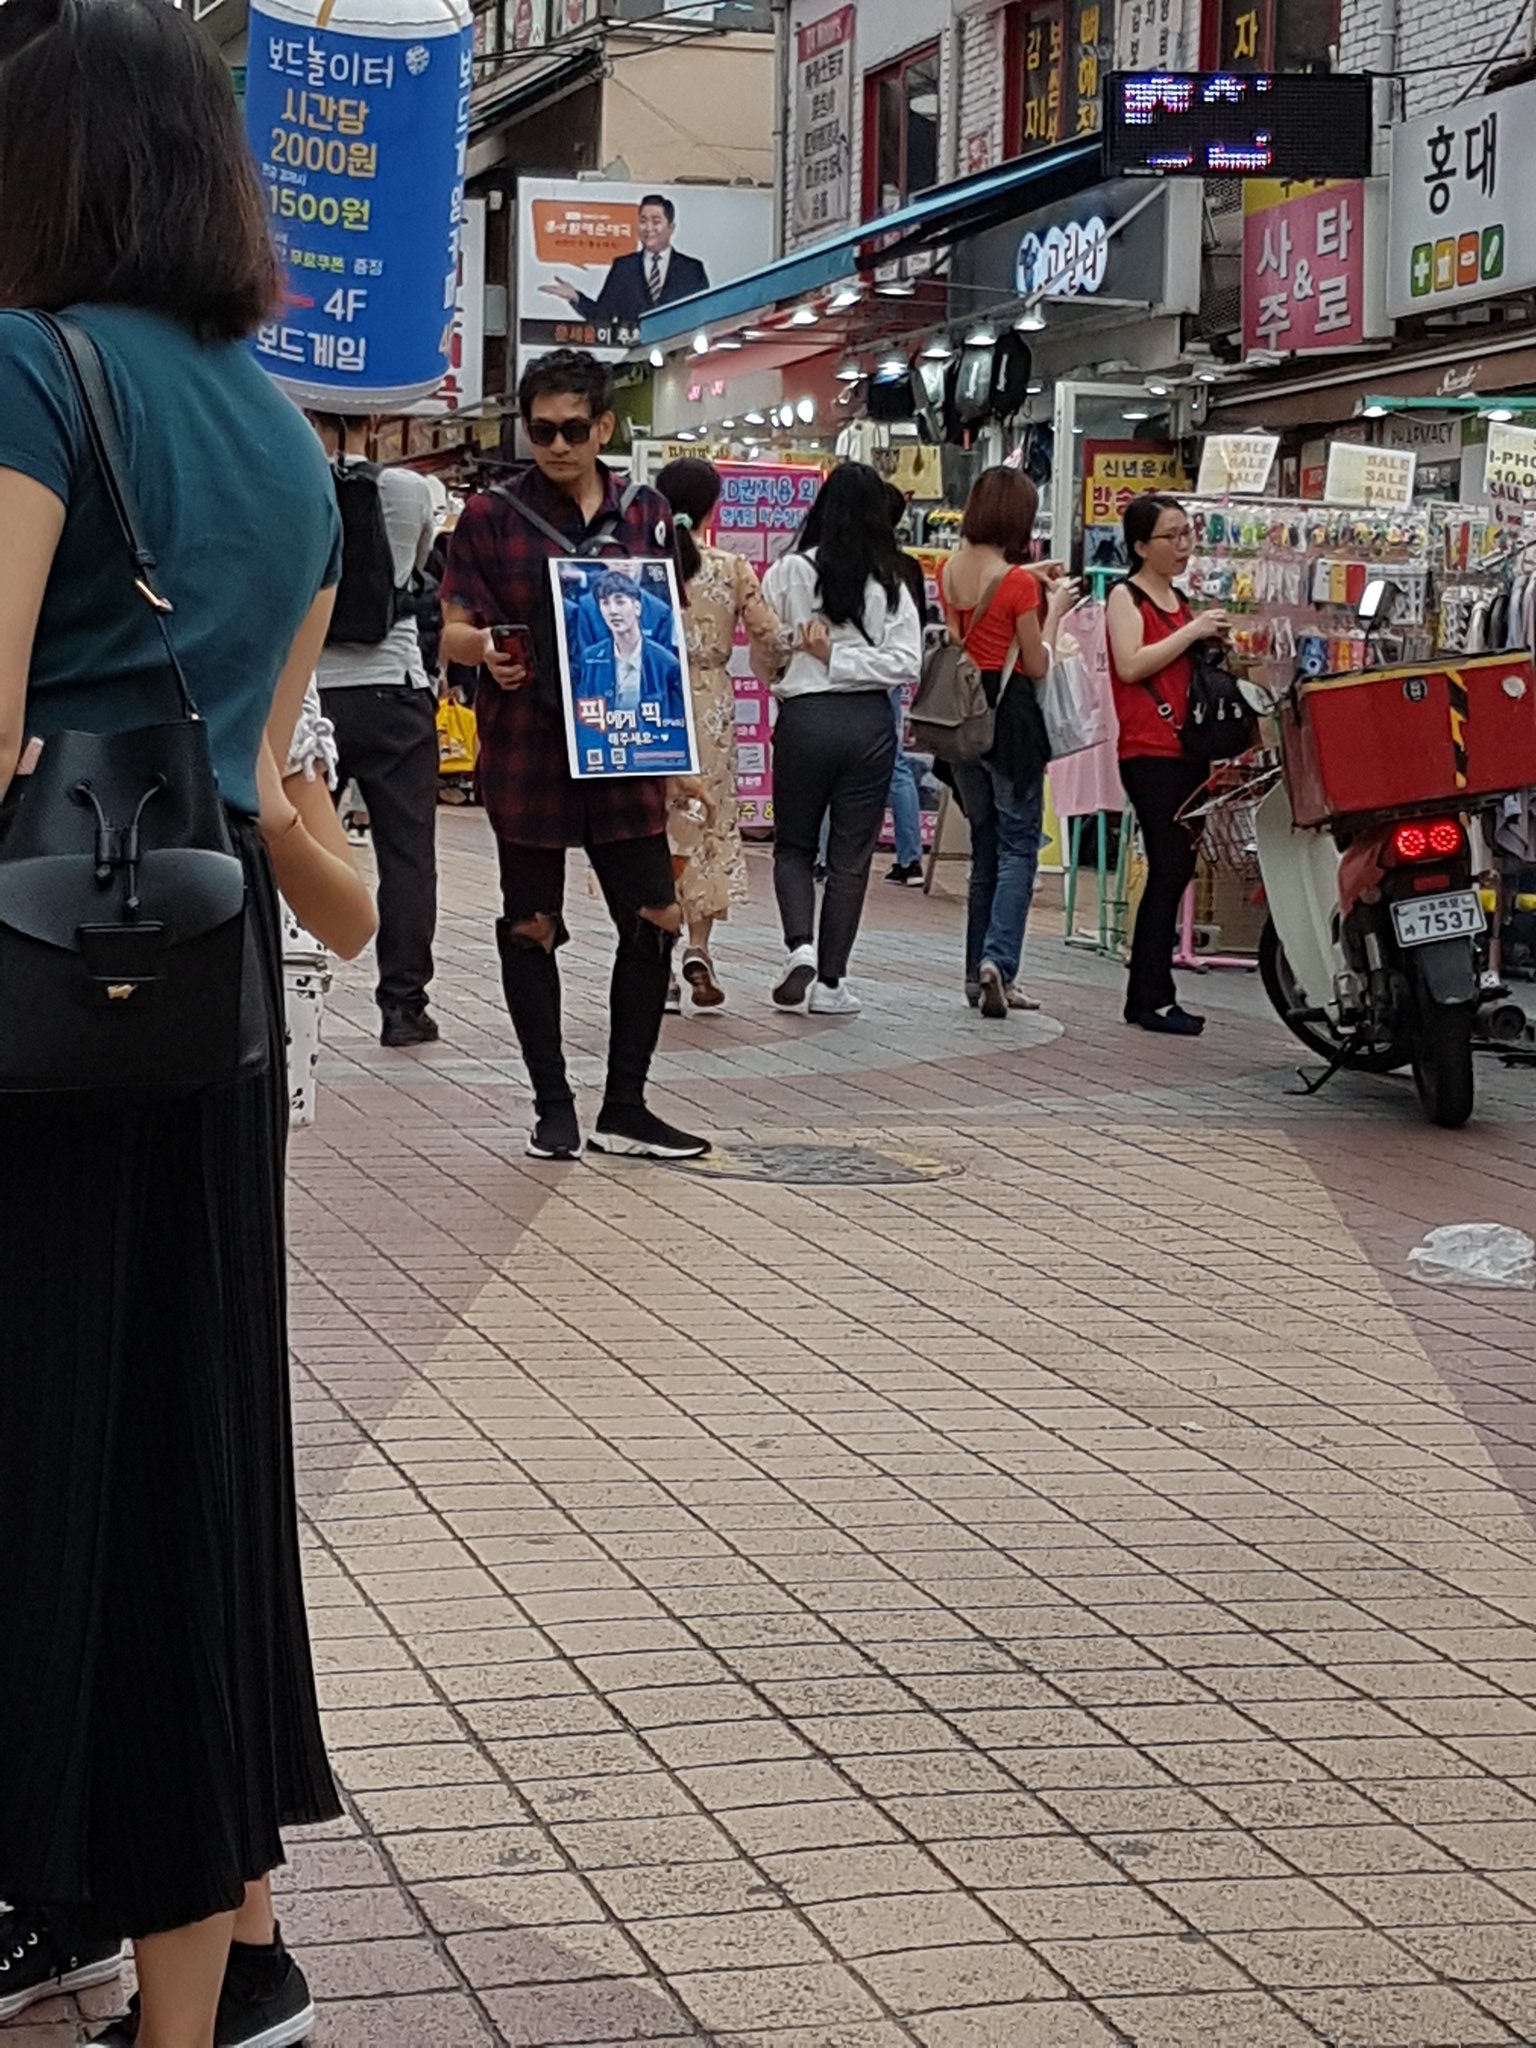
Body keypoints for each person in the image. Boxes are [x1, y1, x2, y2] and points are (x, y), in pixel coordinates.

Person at [0, 3, 366, 2045]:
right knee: (183, 1485)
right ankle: (193, 2001)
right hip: (202, 1002)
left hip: (26, 999)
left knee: (39, 1461)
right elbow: (266, 780)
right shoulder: (292, 446)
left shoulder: (27, 369)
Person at [441, 348, 708, 1162]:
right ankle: (552, 1106)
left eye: (573, 429)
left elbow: (667, 627)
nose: (556, 444)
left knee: (657, 915)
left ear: (604, 427)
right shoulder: (490, 517)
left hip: (626, 744)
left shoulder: (647, 511)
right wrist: (487, 649)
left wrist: (679, 751)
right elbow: (452, 628)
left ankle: (625, 1105)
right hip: (528, 745)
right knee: (531, 925)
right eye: (541, 430)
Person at [762, 462, 923, 1015]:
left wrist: (816, 656)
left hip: (804, 719)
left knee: (794, 845)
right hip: (868, 725)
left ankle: (799, 947)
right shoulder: (893, 581)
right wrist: (848, 660)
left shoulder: (788, 571)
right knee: (850, 858)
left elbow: (767, 647)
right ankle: (831, 984)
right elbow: (906, 663)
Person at [312, 415, 441, 1048]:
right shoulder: (411, 491)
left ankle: (289, 984)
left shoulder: (294, 481)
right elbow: (413, 572)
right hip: (395, 688)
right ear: (376, 418)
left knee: (300, 845)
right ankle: (403, 1007)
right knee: (407, 854)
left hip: (313, 695)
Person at [938, 468, 1078, 1018]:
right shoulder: (1019, 586)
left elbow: (967, 634)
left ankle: (974, 973)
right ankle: (1001, 963)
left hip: (964, 720)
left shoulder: (950, 570)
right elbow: (1037, 664)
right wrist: (1055, 610)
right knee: (1019, 847)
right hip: (1011, 721)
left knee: (985, 847)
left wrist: (1027, 578)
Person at [654, 456, 791, 1009]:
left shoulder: (642, 564)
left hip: (650, 698)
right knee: (708, 817)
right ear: (713, 508)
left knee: (655, 823)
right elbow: (772, 638)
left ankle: (658, 962)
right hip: (710, 702)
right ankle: (699, 946)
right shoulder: (730, 568)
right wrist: (774, 671)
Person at [1106, 492, 1231, 1035]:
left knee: (1177, 869)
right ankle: (1148, 997)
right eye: (1171, 536)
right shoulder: (1126, 596)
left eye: (1187, 534)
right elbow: (1130, 665)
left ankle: (1154, 993)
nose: (1183, 546)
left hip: (1189, 749)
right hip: (1148, 751)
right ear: (1140, 546)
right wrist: (1191, 633)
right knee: (1170, 866)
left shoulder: (1179, 599)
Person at [544, 194, 710, 327]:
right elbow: (602, 315)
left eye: (656, 222)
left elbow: (703, 314)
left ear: (671, 227)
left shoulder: (692, 269)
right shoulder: (623, 267)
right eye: (643, 221)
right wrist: (576, 297)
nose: (648, 228)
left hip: (679, 352)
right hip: (634, 353)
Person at [883, 479, 931, 888]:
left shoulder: (860, 564)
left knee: (834, 775)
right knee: (896, 765)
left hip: (848, 674)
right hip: (895, 673)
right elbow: (922, 622)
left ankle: (824, 857)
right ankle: (910, 858)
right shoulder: (908, 567)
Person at [577, 568, 688, 727]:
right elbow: (584, 718)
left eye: (620, 602)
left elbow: (676, 722)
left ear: (637, 607)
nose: (613, 611)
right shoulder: (590, 658)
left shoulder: (666, 663)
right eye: (605, 603)